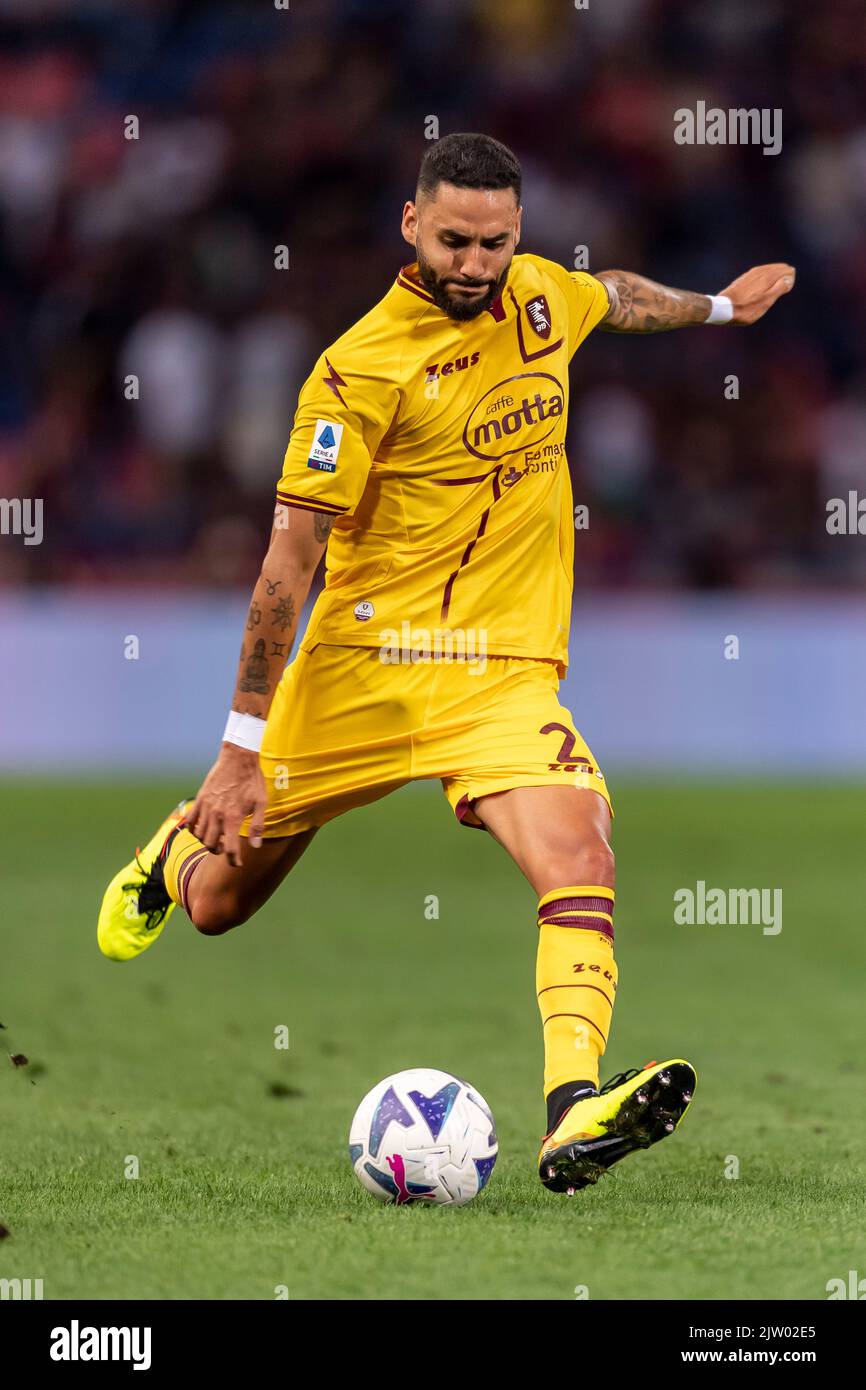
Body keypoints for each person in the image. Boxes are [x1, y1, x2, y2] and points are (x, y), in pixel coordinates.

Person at [97, 133, 795, 1194]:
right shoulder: (357, 369)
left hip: (499, 674)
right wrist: (237, 752)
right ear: (412, 226)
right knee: (218, 907)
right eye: (456, 241)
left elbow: (610, 293)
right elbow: (288, 563)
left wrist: (715, 309)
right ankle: (171, 854)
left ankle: (572, 1108)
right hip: (361, 670)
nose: (475, 264)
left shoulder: (540, 296)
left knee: (580, 855)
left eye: (496, 243)